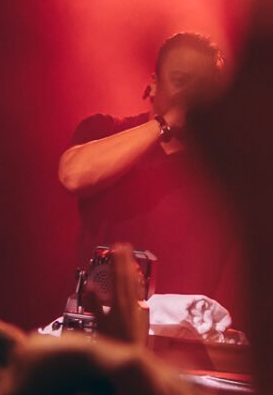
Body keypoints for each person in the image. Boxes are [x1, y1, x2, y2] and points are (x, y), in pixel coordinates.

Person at [56, 31, 237, 308]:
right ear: (153, 84)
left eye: (202, 89)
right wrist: (165, 124)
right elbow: (73, 175)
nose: (190, 97)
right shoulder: (106, 130)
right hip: (100, 323)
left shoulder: (225, 168)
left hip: (182, 331)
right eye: (180, 81)